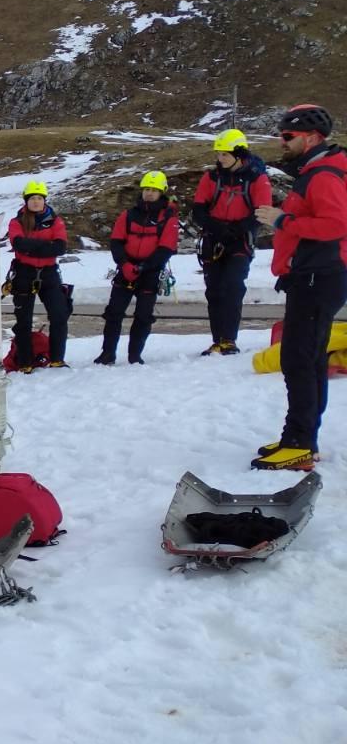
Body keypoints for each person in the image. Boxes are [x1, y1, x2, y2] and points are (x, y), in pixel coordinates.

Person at [252, 104, 347, 470]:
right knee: (308, 359)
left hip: (317, 277)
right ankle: (302, 437)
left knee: (299, 360)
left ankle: (300, 443)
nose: (282, 141)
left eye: (288, 136)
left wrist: (283, 219)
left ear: (312, 137)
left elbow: (335, 225)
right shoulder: (317, 172)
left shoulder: (322, 174)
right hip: (316, 275)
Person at [192, 129, 272, 355]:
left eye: (224, 154)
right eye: (219, 154)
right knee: (214, 290)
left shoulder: (258, 178)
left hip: (240, 242)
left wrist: (236, 230)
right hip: (213, 239)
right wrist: (217, 228)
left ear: (238, 154)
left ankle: (229, 340)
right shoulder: (211, 178)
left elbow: (261, 212)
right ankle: (218, 340)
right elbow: (198, 210)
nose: (220, 159)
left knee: (233, 287)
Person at [96, 172, 179, 365]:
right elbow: (116, 241)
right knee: (113, 313)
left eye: (154, 190)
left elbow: (166, 248)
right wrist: (124, 264)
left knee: (143, 316)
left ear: (162, 193)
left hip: (150, 272)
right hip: (126, 269)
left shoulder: (169, 219)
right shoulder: (128, 215)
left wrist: (143, 267)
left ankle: (135, 355)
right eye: (146, 190)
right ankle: (107, 354)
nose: (149, 194)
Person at [8, 181, 70, 371]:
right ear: (26, 201)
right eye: (32, 198)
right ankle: (25, 362)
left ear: (44, 200)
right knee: (23, 320)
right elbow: (18, 244)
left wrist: (32, 246)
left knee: (59, 315)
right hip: (24, 274)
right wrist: (46, 247)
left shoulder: (56, 221)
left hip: (49, 275)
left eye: (39, 198)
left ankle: (57, 358)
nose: (36, 202)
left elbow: (60, 247)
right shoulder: (16, 221)